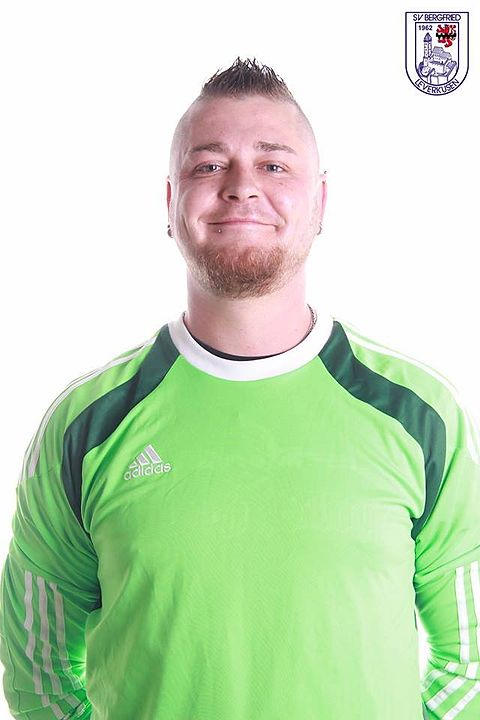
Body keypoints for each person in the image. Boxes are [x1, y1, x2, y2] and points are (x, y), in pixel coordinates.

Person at [0, 56, 479, 720]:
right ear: (171, 203)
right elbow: (39, 672)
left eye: (274, 165)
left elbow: (471, 663)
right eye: (208, 166)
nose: (242, 187)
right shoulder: (86, 425)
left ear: (321, 202)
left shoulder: (420, 415)